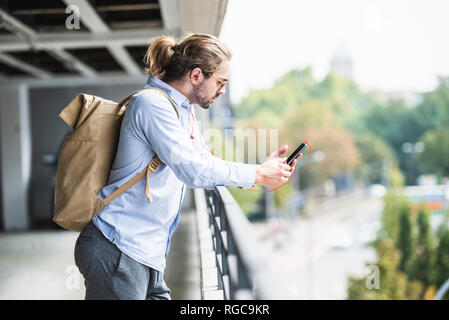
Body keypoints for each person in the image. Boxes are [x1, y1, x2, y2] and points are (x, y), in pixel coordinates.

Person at [74, 33, 302, 300]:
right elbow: (193, 170)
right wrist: (258, 175)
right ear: (196, 76)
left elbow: (205, 162)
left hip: (145, 251)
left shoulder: (181, 110)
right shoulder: (152, 104)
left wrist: (258, 170)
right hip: (118, 248)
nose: (223, 90)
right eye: (220, 81)